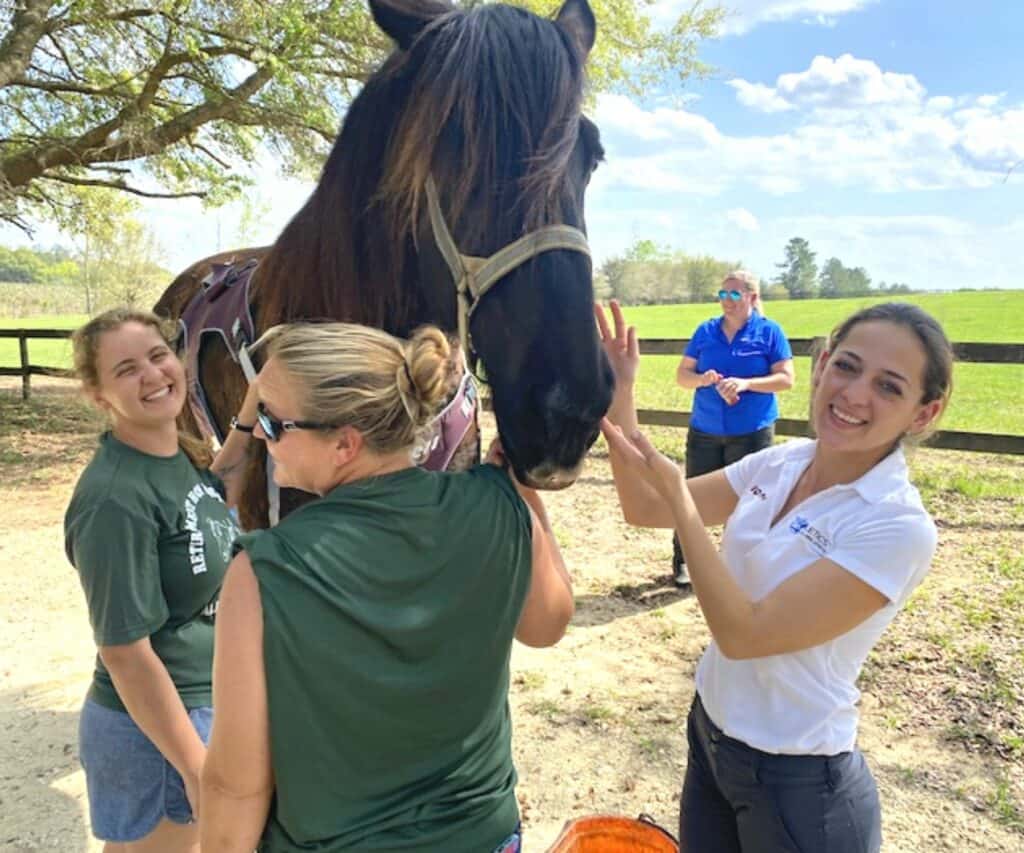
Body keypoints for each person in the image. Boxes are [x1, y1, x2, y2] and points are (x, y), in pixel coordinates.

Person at [200, 322, 573, 853]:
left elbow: (236, 787)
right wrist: (522, 495)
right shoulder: (495, 503)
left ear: (345, 444)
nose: (258, 433)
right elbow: (547, 624)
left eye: (272, 421)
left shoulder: (266, 569)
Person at [596, 300, 952, 852]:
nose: (855, 394)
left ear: (923, 414)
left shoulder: (897, 525)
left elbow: (745, 635)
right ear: (822, 363)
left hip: (799, 782)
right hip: (711, 737)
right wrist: (621, 392)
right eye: (848, 366)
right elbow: (645, 507)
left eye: (889, 387)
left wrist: (679, 499)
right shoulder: (781, 463)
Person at [65, 307, 259, 851]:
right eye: (126, 370)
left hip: (197, 706)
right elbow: (125, 652)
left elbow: (216, 497)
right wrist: (197, 769)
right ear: (100, 396)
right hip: (155, 732)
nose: (152, 375)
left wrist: (251, 408)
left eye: (158, 355)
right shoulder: (114, 500)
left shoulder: (176, 457)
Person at [671, 270, 795, 587]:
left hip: (752, 431)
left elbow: (786, 379)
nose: (727, 301)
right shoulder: (706, 331)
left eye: (735, 294)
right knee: (693, 498)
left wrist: (746, 383)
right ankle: (684, 563)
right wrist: (702, 379)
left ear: (752, 297)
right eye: (723, 294)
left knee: (749, 503)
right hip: (705, 429)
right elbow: (682, 376)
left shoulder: (770, 333)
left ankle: (736, 565)